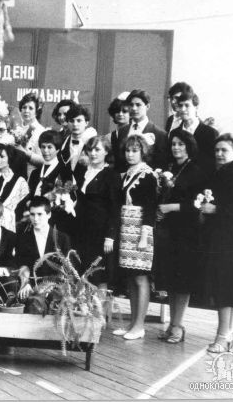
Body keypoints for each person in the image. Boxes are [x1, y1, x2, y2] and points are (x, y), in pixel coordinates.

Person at [198, 134, 233, 353]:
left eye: (224, 150)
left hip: (232, 235)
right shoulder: (222, 172)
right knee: (226, 285)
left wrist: (215, 209)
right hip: (223, 233)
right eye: (217, 150)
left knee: (225, 285)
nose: (219, 154)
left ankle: (222, 337)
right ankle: (227, 334)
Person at [154, 130, 206, 344]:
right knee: (171, 280)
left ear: (189, 146)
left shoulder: (195, 170)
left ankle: (178, 325)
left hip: (187, 231)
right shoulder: (170, 168)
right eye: (174, 144)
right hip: (169, 230)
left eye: (181, 144)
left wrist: (170, 207)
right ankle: (172, 324)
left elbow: (197, 205)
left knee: (182, 280)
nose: (176, 147)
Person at [113, 134, 158, 340]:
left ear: (143, 152)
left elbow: (150, 207)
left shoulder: (148, 175)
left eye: (134, 151)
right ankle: (132, 323)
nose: (130, 154)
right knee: (131, 277)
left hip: (140, 229)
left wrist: (144, 236)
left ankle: (140, 326)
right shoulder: (127, 173)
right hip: (126, 227)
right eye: (127, 150)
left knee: (140, 276)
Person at [73, 136, 120, 287]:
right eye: (90, 150)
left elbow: (115, 208)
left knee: (99, 275)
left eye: (97, 149)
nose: (93, 153)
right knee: (82, 273)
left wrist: (110, 236)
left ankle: (100, 304)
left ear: (106, 152)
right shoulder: (82, 172)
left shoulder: (111, 175)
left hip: (100, 232)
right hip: (82, 230)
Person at [15, 196, 72, 299]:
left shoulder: (62, 238)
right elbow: (21, 265)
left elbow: (67, 269)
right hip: (30, 289)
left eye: (40, 214)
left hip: (56, 290)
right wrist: (25, 283)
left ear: (49, 215)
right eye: (32, 214)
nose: (35, 219)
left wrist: (50, 288)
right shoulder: (23, 239)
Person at [113, 89, 169, 172]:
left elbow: (161, 164)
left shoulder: (160, 134)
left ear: (147, 106)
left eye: (138, 105)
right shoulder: (122, 131)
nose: (134, 108)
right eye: (131, 105)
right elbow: (118, 161)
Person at [169, 91, 219, 177]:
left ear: (196, 107)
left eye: (187, 105)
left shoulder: (210, 133)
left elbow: (213, 163)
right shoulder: (174, 133)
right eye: (180, 105)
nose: (183, 109)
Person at [59, 104, 97, 173]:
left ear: (86, 123)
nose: (75, 124)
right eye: (71, 121)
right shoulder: (62, 144)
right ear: (67, 123)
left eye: (79, 121)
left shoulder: (94, 144)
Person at [16, 92, 46, 175]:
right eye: (24, 107)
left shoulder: (41, 131)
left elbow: (45, 160)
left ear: (36, 112)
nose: (26, 111)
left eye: (30, 108)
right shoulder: (17, 129)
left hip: (32, 175)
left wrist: (26, 154)